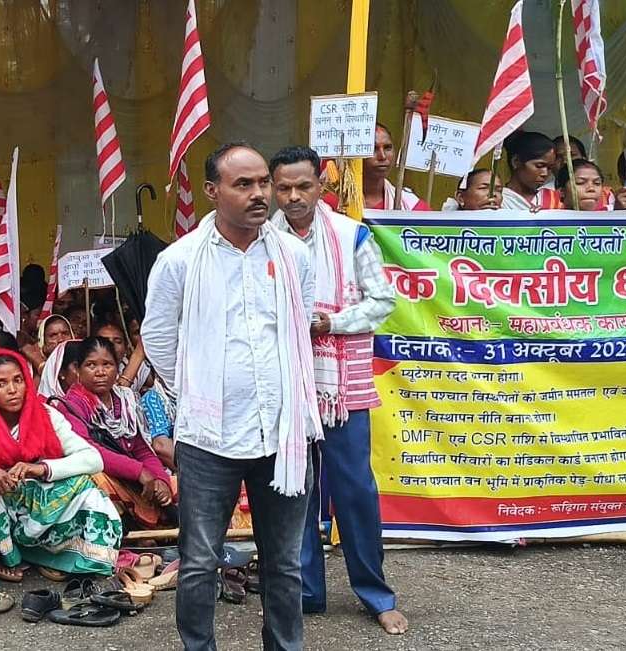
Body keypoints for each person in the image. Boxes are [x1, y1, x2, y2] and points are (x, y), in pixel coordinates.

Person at [141, 143, 321, 651]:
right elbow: (158, 338)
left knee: (284, 563)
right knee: (200, 561)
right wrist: (199, 391)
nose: (259, 193)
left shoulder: (294, 256)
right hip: (208, 438)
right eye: (243, 184)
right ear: (212, 191)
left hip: (282, 434)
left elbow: (300, 329)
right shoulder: (179, 261)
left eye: (263, 182)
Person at [270, 146, 406, 635]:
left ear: (321, 185)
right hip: (286, 384)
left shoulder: (351, 235)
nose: (293, 196)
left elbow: (383, 301)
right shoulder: (263, 239)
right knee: (294, 491)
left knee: (355, 492)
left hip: (339, 390)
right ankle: (306, 592)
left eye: (302, 186)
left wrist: (331, 322)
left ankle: (375, 594)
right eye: (283, 188)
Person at [0, 350, 119, 580]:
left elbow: (93, 458)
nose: (12, 390)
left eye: (18, 380)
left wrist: (42, 469)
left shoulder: (46, 414)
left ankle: (71, 557)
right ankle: (0, 555)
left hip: (37, 502)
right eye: (1, 383)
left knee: (87, 489)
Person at [54, 337, 173, 528]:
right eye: (91, 365)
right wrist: (138, 471)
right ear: (78, 370)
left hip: (130, 478)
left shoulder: (124, 401)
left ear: (117, 368)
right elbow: (90, 450)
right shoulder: (71, 405)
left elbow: (140, 448)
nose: (100, 372)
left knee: (178, 487)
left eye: (107, 364)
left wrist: (160, 478)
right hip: (101, 477)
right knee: (98, 482)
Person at [362, 125, 427, 210]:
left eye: (387, 148)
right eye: (373, 149)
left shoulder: (412, 207)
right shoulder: (343, 203)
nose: (382, 156)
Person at [498, 131, 558, 211]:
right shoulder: (498, 201)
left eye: (550, 168)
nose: (545, 173)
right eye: (539, 166)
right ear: (516, 162)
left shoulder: (554, 199)